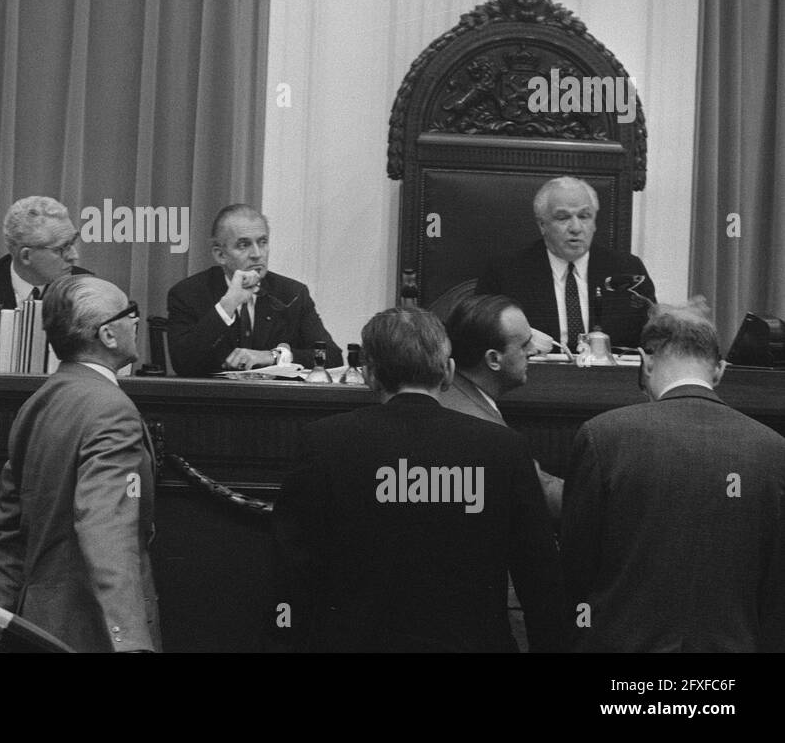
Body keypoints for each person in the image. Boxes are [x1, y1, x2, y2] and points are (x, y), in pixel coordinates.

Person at [270, 306, 567, 652]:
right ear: (448, 371)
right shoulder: (503, 450)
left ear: (370, 375)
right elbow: (542, 584)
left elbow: (292, 574)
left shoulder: (324, 443)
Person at [561, 300, 785, 652]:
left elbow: (576, 571)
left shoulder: (603, 436)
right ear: (720, 370)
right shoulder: (775, 450)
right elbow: (776, 589)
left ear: (646, 361)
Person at [0, 274, 159, 652]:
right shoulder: (112, 412)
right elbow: (107, 527)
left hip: (37, 626)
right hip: (95, 633)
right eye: (130, 313)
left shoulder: (39, 402)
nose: (136, 322)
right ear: (107, 335)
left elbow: (2, 531)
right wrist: (129, 641)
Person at [475, 176, 655, 350]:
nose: (576, 228)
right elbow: (484, 337)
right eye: (563, 218)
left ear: (594, 222)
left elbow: (653, 339)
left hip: (611, 378)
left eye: (584, 216)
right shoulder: (505, 273)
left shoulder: (628, 269)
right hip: (534, 377)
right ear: (542, 225)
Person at [167, 204, 340, 376]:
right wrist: (228, 304)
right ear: (220, 255)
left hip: (274, 400)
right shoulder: (188, 294)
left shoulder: (292, 294)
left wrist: (275, 356)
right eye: (244, 245)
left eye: (262, 242)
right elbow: (183, 363)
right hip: (214, 400)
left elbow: (332, 357)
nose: (257, 253)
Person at [441, 293, 563, 519]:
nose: (534, 351)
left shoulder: (451, 393)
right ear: (493, 360)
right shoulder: (481, 427)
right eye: (524, 345)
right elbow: (538, 493)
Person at [0, 196, 91, 308]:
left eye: (72, 243)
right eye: (62, 248)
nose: (74, 256)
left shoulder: (86, 287)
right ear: (25, 255)